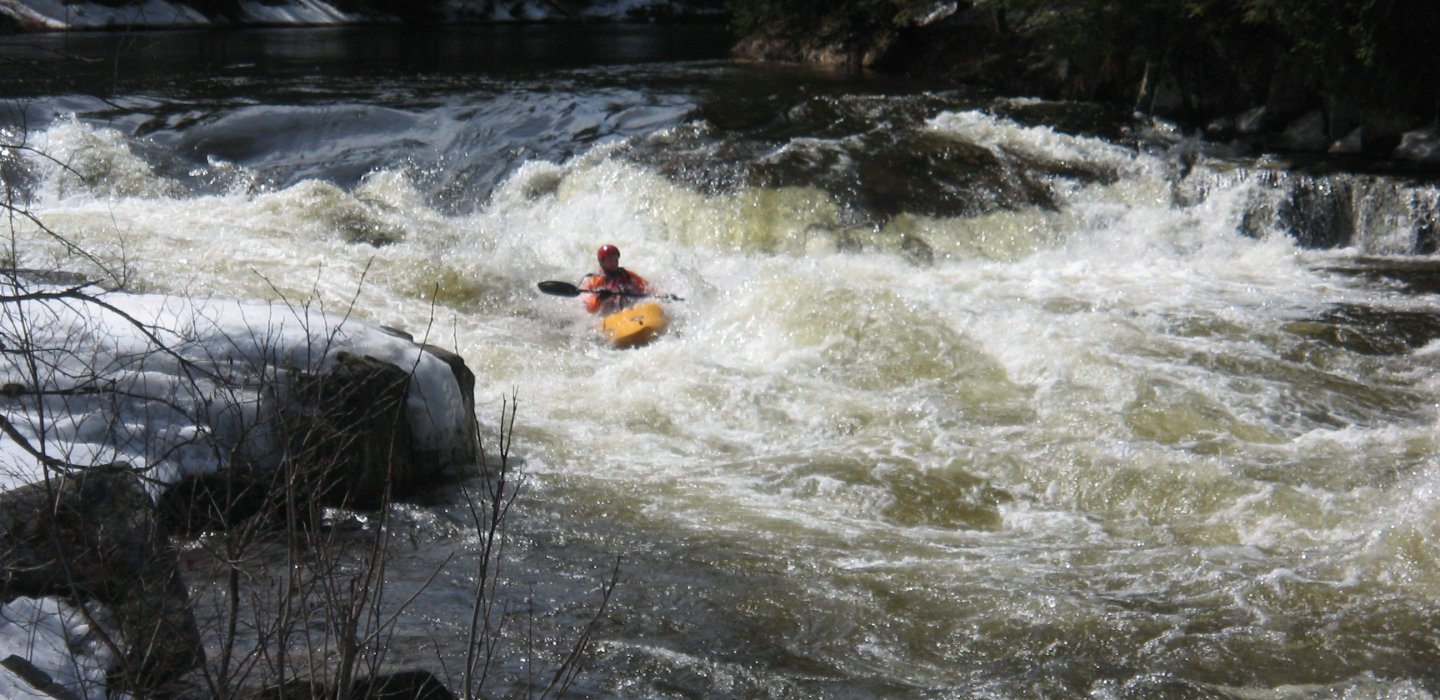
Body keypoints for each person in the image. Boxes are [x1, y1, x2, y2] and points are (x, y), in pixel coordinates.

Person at [579, 244, 652, 315]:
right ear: (602, 262)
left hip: (627, 308)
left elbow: (646, 287)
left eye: (615, 259)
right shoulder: (596, 280)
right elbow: (590, 309)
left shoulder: (626, 274)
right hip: (607, 313)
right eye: (610, 260)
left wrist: (653, 294)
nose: (614, 262)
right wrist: (600, 298)